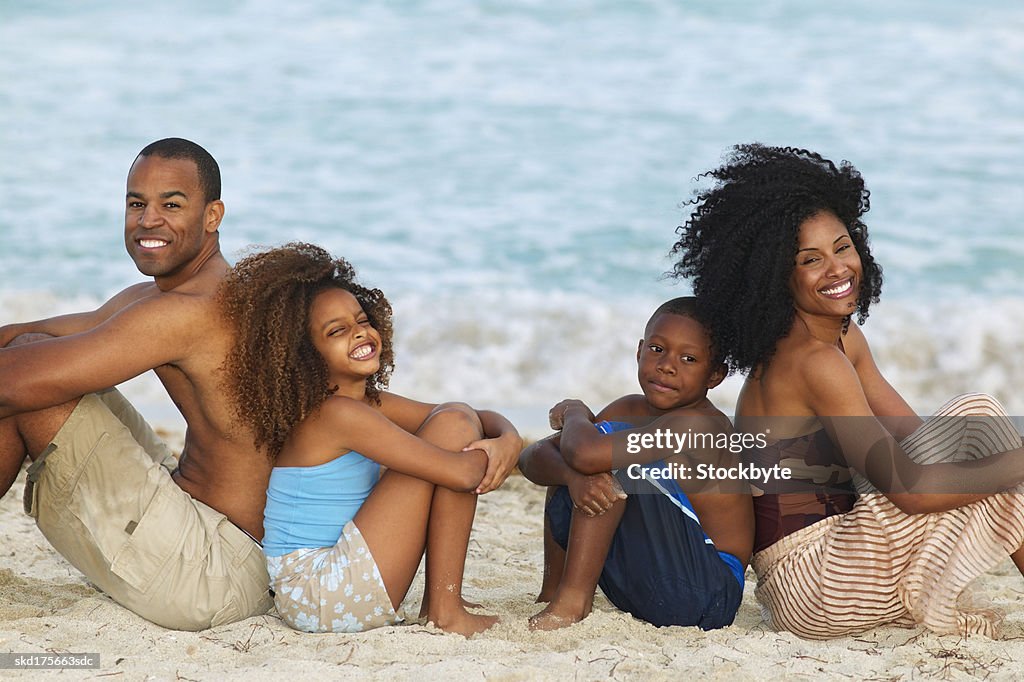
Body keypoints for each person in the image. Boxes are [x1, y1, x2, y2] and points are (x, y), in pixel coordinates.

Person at [671, 143, 1024, 639]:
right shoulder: (814, 361)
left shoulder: (839, 337)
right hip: (817, 583)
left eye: (842, 247)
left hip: (825, 564)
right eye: (810, 260)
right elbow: (911, 492)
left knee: (978, 427)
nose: (837, 269)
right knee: (986, 428)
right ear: (776, 276)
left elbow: (915, 435)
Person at [0, 138, 274, 630]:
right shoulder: (172, 294)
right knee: (33, 359)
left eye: (171, 204)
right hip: (216, 534)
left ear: (213, 216)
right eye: (136, 204)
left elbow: (11, 385)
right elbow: (24, 339)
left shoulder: (188, 310)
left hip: (215, 574)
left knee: (28, 394)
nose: (148, 221)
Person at [218, 243, 522, 636]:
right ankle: (445, 610)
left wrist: (509, 438)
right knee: (454, 430)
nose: (360, 332)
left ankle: (441, 603)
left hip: (315, 590)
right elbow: (462, 472)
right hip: (320, 590)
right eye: (337, 331)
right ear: (305, 354)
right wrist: (496, 452)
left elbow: (464, 413)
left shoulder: (359, 403)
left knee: (454, 420)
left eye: (361, 320)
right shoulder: (337, 415)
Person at [518, 297, 753, 631]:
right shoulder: (627, 409)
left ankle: (573, 602)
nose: (667, 365)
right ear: (639, 350)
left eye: (688, 359)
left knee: (603, 457)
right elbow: (531, 457)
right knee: (578, 460)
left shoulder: (700, 425)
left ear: (715, 375)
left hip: (708, 590)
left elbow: (587, 452)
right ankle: (553, 591)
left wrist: (573, 412)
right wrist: (573, 478)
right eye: (657, 349)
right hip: (651, 582)